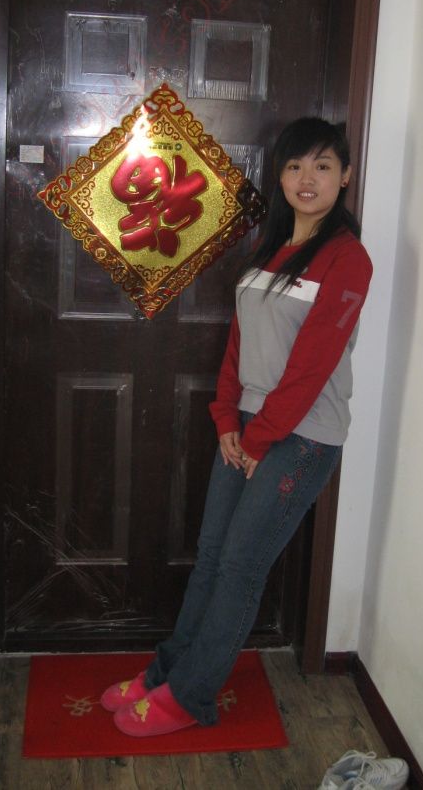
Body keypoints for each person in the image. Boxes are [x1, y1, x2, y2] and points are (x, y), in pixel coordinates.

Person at [101, 117, 373, 737]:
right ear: (280, 176)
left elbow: (312, 366)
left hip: (303, 437)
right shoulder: (268, 251)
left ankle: (190, 696)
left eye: (323, 166)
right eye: (295, 166)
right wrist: (228, 418)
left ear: (345, 177)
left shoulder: (347, 259)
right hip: (249, 426)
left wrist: (258, 436)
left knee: (241, 568)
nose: (308, 179)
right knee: (211, 559)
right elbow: (238, 345)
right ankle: (168, 671)